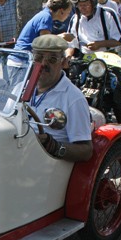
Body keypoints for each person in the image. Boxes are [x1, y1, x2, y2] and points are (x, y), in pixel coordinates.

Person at [67, 0, 121, 124]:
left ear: (93, 2)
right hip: (84, 58)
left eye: (86, 5)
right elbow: (72, 43)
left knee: (117, 94)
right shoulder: (76, 19)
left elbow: (119, 39)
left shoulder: (107, 14)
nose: (83, 8)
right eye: (80, 6)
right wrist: (69, 56)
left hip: (107, 57)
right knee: (72, 88)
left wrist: (99, 44)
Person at [30, 34, 92, 162]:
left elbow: (86, 150)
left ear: (63, 63)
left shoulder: (73, 98)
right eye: (39, 58)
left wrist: (53, 146)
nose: (43, 64)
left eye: (52, 59)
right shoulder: (22, 87)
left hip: (46, 163)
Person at [8, 0, 72, 85]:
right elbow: (45, 43)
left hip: (22, 60)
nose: (68, 15)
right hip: (21, 62)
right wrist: (62, 37)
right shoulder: (46, 17)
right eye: (68, 12)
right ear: (61, 11)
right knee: (18, 94)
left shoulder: (45, 15)